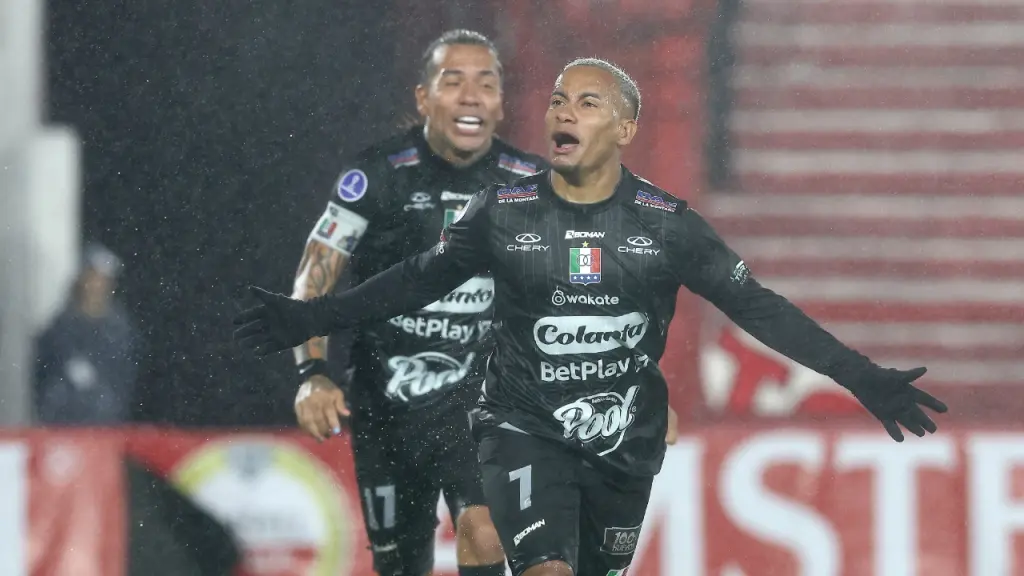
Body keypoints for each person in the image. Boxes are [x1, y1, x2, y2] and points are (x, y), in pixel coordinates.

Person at [235, 58, 948, 576]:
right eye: (557, 101)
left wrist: (860, 375)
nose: (563, 113)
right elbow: (416, 280)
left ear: (626, 127)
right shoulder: (503, 214)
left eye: (586, 102)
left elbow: (759, 308)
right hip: (520, 425)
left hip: (621, 438)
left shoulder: (667, 226)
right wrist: (313, 318)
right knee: (536, 563)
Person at [289, 29, 547, 576]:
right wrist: (312, 372)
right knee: (402, 565)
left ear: (501, 104)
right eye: (454, 82)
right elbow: (316, 272)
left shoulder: (530, 184)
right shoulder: (378, 176)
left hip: (482, 400)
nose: (472, 96)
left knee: (485, 527)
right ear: (424, 98)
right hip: (387, 402)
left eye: (486, 84)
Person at [34, 242, 139, 425]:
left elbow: (125, 381)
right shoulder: (60, 327)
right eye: (92, 278)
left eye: (103, 280)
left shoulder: (119, 331)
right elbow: (42, 375)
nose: (96, 285)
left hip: (104, 425)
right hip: (63, 425)